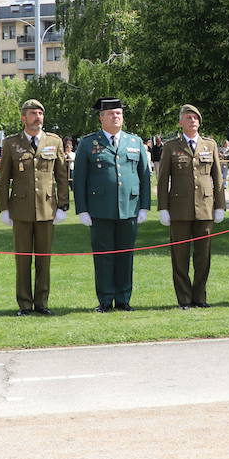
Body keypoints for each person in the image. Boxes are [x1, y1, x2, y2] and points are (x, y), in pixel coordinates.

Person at [73, 97, 151, 312]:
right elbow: (79, 179)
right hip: (100, 209)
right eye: (111, 114)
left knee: (126, 256)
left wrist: (144, 206)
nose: (115, 117)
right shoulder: (88, 143)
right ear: (101, 118)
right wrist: (83, 210)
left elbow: (144, 176)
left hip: (129, 208)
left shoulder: (134, 142)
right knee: (104, 257)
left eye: (119, 113)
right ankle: (106, 300)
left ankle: (124, 299)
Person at [0, 99, 68, 316]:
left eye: (40, 113)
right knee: (22, 259)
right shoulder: (11, 143)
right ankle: (24, 304)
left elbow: (62, 176)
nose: (37, 117)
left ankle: (42, 302)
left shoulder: (54, 141)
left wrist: (63, 205)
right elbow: (3, 179)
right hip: (20, 208)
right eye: (32, 113)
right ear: (23, 118)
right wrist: (4, 208)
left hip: (47, 207)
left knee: (44, 259)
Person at [157, 104, 227, 308]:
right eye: (188, 117)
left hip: (205, 208)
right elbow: (163, 180)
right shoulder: (171, 146)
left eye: (196, 118)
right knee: (180, 258)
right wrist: (163, 208)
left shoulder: (210, 145)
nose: (193, 121)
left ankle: (200, 297)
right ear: (181, 122)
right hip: (179, 209)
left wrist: (220, 205)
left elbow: (217, 178)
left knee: (203, 257)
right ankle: (184, 299)